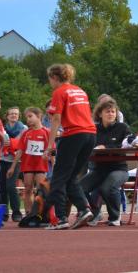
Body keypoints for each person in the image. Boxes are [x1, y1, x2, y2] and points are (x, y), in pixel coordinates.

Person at [43, 63, 97, 230]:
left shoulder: (59, 92)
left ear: (54, 77)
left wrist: (50, 145)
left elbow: (56, 119)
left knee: (58, 178)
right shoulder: (80, 91)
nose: (50, 83)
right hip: (90, 135)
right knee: (71, 176)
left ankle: (61, 218)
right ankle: (84, 209)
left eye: (49, 79)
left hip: (73, 134)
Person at [81, 97, 134, 227]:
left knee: (107, 188)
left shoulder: (123, 127)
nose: (111, 114)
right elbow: (86, 144)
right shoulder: (93, 129)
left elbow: (128, 144)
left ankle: (115, 217)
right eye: (107, 111)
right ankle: (94, 212)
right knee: (79, 188)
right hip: (99, 169)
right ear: (100, 114)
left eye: (113, 112)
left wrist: (106, 147)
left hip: (119, 168)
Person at [8, 107, 49, 216]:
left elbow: (51, 150)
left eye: (30, 116)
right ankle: (29, 213)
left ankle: (40, 214)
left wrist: (54, 164)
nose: (28, 119)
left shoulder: (46, 132)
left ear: (39, 116)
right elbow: (20, 151)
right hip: (28, 165)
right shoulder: (26, 133)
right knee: (27, 188)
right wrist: (12, 167)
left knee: (40, 190)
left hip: (41, 165)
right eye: (27, 117)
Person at [0, 106, 27, 222]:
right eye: (11, 113)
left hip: (16, 161)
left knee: (11, 186)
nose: (13, 115)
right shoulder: (2, 128)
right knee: (2, 186)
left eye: (16, 113)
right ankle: (4, 212)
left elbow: (24, 144)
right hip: (2, 159)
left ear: (19, 116)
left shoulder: (24, 128)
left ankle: (16, 212)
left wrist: (14, 145)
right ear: (7, 116)